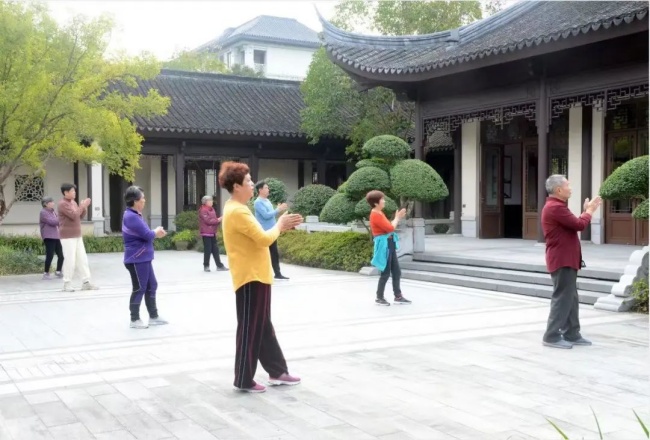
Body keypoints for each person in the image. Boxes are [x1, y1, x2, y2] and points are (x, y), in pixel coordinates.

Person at [219, 162, 303, 393]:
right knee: (250, 328)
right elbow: (264, 239)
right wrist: (280, 224)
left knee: (263, 326)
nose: (252, 185)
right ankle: (243, 379)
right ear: (236, 186)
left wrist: (280, 227)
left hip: (256, 275)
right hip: (250, 277)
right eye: (247, 181)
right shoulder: (237, 211)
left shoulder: (237, 208)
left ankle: (277, 371)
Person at [541, 175, 602, 349]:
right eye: (568, 185)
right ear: (559, 190)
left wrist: (585, 212)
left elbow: (575, 223)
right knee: (562, 298)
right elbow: (579, 225)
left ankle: (572, 333)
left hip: (566, 259)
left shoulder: (557, 207)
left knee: (571, 298)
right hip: (562, 259)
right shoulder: (555, 207)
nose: (570, 188)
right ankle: (551, 336)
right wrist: (589, 211)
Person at [122, 186, 169, 329]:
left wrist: (154, 233)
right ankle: (134, 319)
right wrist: (156, 232)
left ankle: (153, 316)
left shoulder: (135, 215)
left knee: (151, 285)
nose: (144, 200)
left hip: (143, 257)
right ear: (135, 201)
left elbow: (146, 234)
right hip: (136, 258)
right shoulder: (131, 216)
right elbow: (148, 235)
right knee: (139, 288)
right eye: (142, 198)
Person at [367, 190, 411, 306]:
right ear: (376, 203)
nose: (384, 201)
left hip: (389, 242)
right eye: (382, 199)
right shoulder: (375, 214)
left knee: (396, 271)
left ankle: (398, 296)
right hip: (384, 244)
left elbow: (388, 227)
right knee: (385, 273)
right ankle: (379, 297)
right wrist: (397, 218)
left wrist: (396, 219)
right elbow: (390, 228)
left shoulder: (379, 213)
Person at [58, 183, 98, 292]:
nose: (74, 193)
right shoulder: (62, 204)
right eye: (72, 191)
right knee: (70, 260)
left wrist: (84, 208)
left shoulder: (73, 203)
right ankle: (67, 283)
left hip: (77, 235)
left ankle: (86, 282)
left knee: (82, 259)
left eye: (74, 191)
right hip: (67, 236)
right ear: (66, 192)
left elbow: (80, 216)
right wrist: (82, 206)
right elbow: (73, 215)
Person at [253, 181, 290, 280]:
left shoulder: (267, 201)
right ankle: (261, 274)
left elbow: (271, 215)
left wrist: (278, 210)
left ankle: (277, 273)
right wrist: (278, 210)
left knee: (274, 253)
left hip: (272, 231)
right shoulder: (258, 202)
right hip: (264, 232)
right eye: (266, 188)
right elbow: (266, 215)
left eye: (268, 188)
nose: (268, 190)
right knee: (264, 254)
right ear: (260, 190)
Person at [198, 195, 228, 272]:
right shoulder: (203, 210)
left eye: (211, 200)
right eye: (210, 200)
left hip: (212, 232)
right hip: (206, 233)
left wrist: (217, 221)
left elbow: (213, 220)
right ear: (205, 202)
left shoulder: (212, 209)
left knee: (215, 249)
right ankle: (206, 266)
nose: (212, 202)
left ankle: (219, 265)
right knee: (208, 250)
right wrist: (218, 220)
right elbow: (208, 221)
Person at [39, 197, 64, 280]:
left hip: (56, 236)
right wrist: (61, 218)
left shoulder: (53, 212)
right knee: (50, 255)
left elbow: (58, 222)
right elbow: (52, 222)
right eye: (51, 202)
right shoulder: (43, 212)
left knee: (61, 255)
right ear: (46, 204)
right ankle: (46, 273)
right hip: (49, 236)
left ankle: (58, 271)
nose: (53, 203)